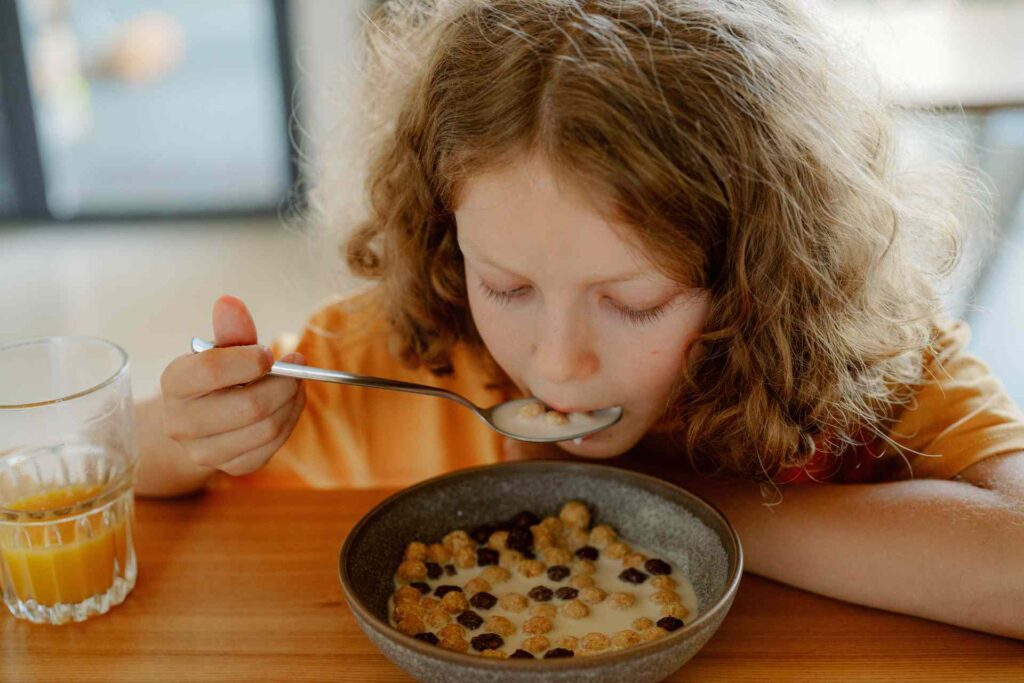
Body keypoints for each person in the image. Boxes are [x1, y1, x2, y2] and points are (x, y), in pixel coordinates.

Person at [133, 0, 1024, 637]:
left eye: (634, 301)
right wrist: (190, 430)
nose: (556, 365)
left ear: (759, 269)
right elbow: (110, 462)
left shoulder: (861, 361)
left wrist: (661, 507)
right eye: (508, 288)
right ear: (447, 238)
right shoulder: (404, 346)